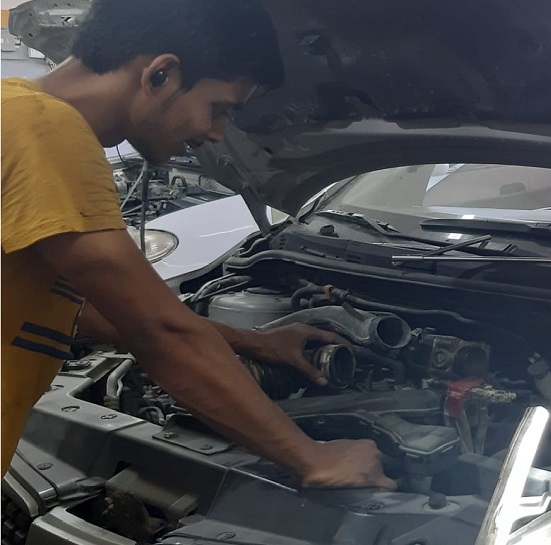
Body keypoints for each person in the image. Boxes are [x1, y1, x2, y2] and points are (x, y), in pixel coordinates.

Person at [0, 0, 395, 490]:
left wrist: (255, 343)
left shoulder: (15, 113)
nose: (215, 132)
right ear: (160, 74)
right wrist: (312, 457)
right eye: (219, 108)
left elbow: (85, 312)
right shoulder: (46, 129)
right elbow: (158, 332)